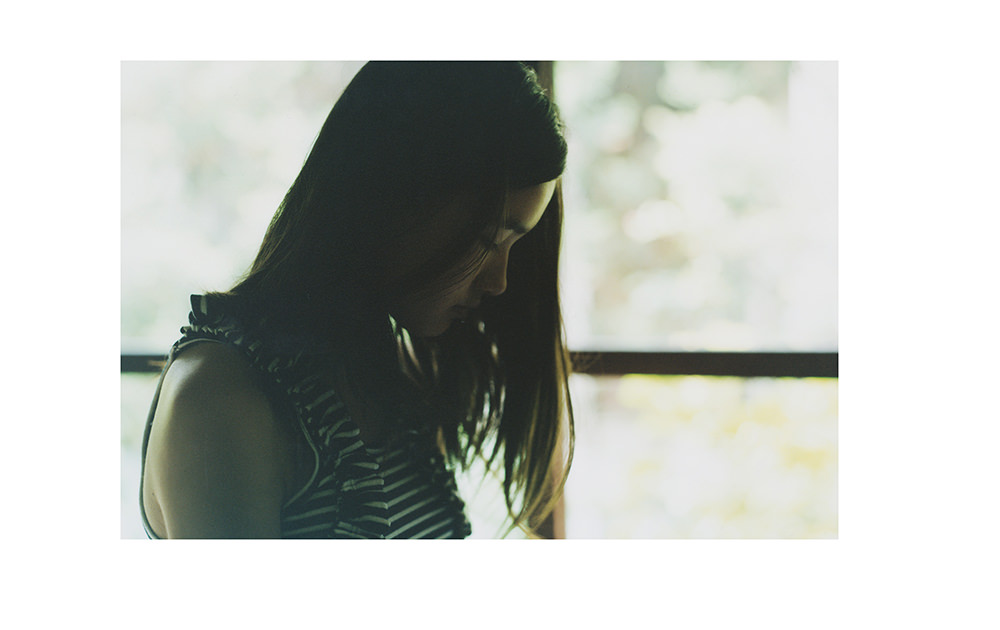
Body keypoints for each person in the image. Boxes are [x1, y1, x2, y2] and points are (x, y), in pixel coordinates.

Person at [139, 61, 574, 539]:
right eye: (489, 240)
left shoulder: (390, 379)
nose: (500, 282)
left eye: (515, 247)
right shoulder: (221, 398)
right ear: (396, 194)